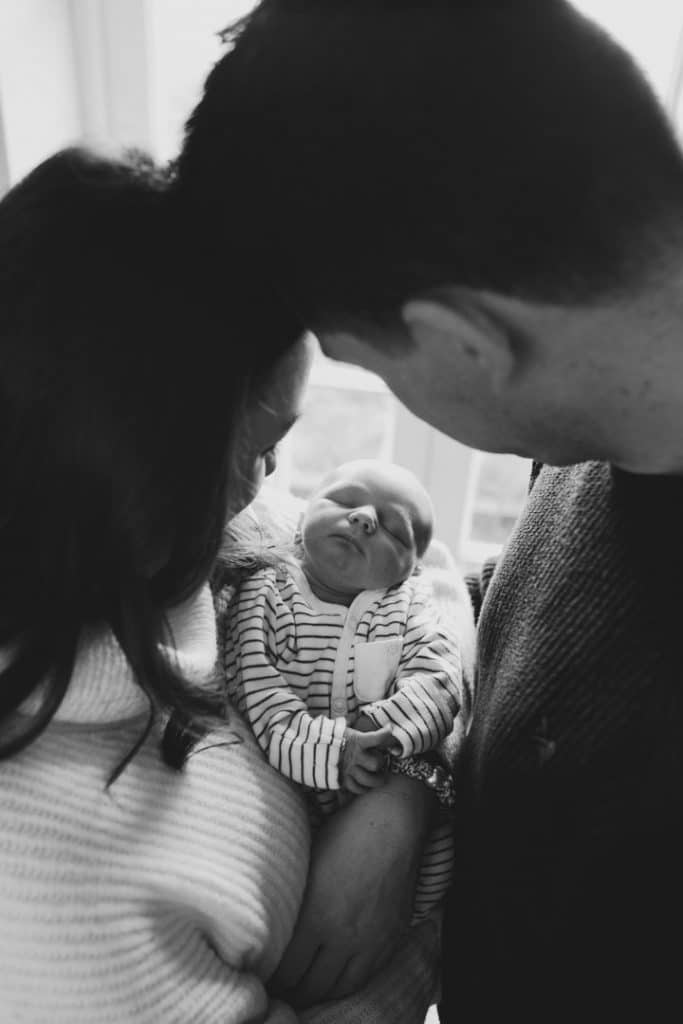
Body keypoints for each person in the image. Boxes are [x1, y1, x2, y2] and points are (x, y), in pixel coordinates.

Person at [176, 1, 683, 1019]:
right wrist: (403, 786)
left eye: (370, 364)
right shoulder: (600, 429)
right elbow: (499, 616)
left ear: (462, 344)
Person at [0, 147, 443, 1023]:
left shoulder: (220, 537)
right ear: (142, 468)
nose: (273, 480)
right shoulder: (53, 908)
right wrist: (423, 957)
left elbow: (423, 595)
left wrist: (403, 795)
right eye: (257, 448)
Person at [224, 459, 467, 920]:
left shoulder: (410, 605)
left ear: (409, 569)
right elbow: (263, 699)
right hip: (295, 801)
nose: (364, 519)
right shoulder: (266, 593)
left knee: (439, 873)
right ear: (303, 517)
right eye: (344, 501)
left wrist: (384, 725)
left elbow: (440, 680)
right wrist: (338, 750)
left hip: (388, 790)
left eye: (394, 530)